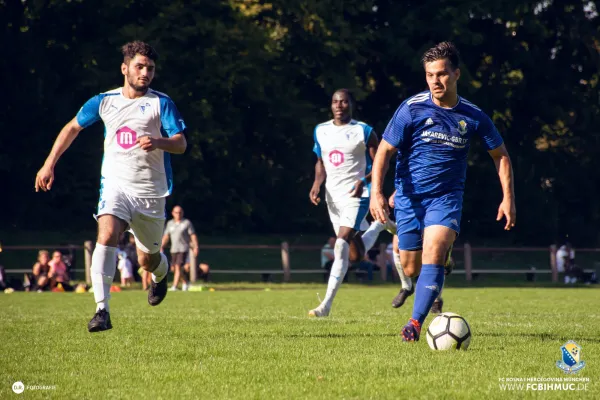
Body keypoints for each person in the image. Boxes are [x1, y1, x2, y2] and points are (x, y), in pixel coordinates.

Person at [35, 41, 187, 332]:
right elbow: (72, 127)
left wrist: (158, 141)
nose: (145, 73)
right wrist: (49, 163)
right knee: (106, 234)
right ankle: (101, 310)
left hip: (151, 193)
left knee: (147, 259)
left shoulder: (161, 103)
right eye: (139, 67)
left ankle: (160, 273)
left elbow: (181, 144)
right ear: (124, 69)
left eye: (150, 68)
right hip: (115, 186)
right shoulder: (104, 101)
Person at [370, 42, 516, 342]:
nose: (435, 81)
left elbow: (500, 155)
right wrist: (377, 193)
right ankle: (442, 261)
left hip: (446, 198)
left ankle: (414, 323)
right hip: (409, 198)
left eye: (442, 74)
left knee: (432, 253)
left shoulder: (473, 115)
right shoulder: (412, 108)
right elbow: (384, 152)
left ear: (456, 74)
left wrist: (508, 198)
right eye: (429, 75)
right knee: (411, 268)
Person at [308, 89, 395, 317]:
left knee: (340, 243)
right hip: (332, 198)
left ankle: (325, 305)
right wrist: (317, 184)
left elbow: (380, 164)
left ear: (351, 105)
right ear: (331, 105)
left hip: (358, 195)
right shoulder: (321, 130)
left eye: (344, 101)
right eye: (335, 101)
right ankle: (378, 225)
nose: (339, 105)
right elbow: (320, 162)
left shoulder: (363, 131)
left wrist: (364, 181)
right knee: (354, 255)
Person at [162, 205, 199, 291]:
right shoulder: (170, 223)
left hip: (183, 248)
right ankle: (186, 283)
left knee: (178, 266)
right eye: (176, 212)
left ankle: (174, 286)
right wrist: (161, 246)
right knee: (174, 268)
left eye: (180, 212)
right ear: (173, 213)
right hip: (174, 249)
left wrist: (195, 247)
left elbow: (193, 235)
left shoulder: (186, 223)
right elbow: (166, 236)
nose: (178, 214)